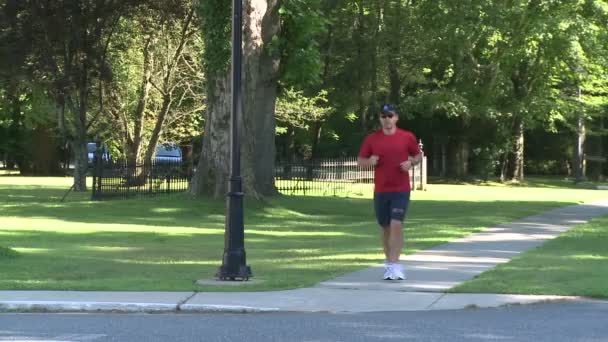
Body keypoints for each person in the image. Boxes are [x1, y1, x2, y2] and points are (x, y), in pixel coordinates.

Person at [357, 104, 422, 280]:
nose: (387, 119)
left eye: (390, 115)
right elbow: (360, 160)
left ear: (396, 118)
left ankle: (395, 265)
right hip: (381, 190)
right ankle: (389, 264)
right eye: (383, 116)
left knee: (396, 224)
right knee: (385, 227)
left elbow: (418, 155)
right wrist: (370, 160)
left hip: (401, 188)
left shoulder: (407, 137)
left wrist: (411, 163)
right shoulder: (372, 139)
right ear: (380, 118)